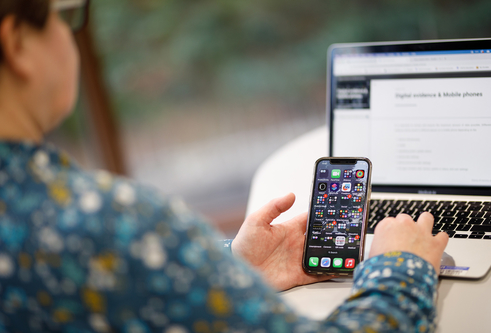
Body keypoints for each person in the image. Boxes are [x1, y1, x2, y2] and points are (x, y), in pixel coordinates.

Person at [0, 0, 449, 332]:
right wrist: (399, 266)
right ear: (17, 42)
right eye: (64, 16)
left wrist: (235, 266)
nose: (67, 35)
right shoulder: (109, 222)